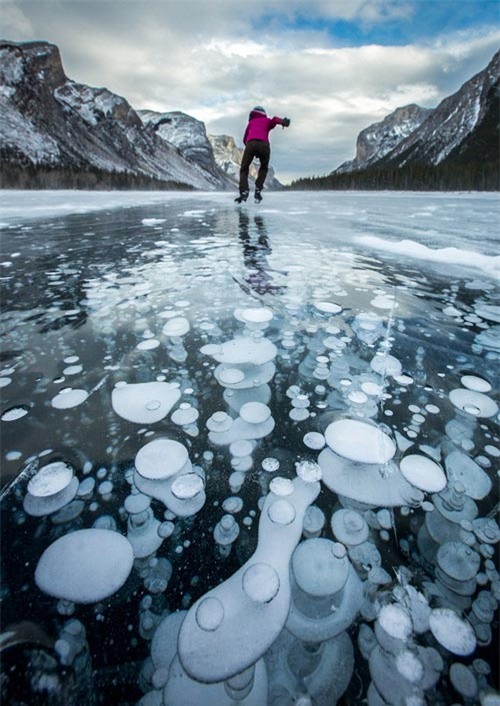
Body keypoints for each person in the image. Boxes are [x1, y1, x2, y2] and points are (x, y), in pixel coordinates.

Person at [235, 106, 290, 203]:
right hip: (264, 145)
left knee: (244, 168)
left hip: (250, 144)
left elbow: (245, 138)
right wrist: (283, 122)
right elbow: (275, 119)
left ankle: (243, 192)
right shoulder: (266, 121)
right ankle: (258, 191)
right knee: (264, 168)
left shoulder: (250, 123)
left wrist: (251, 147)